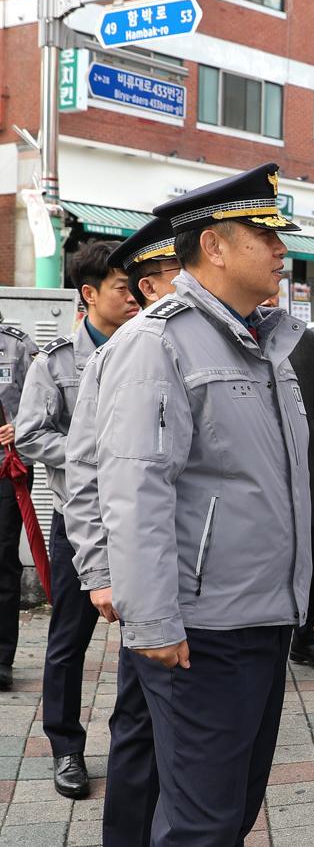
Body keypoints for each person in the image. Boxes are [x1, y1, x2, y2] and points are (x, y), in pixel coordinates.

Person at [90, 163, 312, 844]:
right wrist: (153, 624)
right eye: (266, 236)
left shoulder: (262, 340)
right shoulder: (158, 342)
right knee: (203, 823)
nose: (281, 251)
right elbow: (134, 491)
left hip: (263, 618)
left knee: (230, 809)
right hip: (203, 633)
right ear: (214, 245)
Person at [65, 217, 180, 847]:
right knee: (138, 723)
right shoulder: (125, 352)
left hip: (199, 583)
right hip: (141, 579)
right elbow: (84, 471)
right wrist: (101, 572)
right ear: (151, 287)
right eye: (171, 281)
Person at [17, 239, 139, 799]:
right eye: (122, 287)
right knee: (69, 640)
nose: (134, 296)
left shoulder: (148, 350)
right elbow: (31, 434)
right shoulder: (55, 361)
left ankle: (135, 743)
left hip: (139, 522)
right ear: (89, 295)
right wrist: (92, 450)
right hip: (79, 522)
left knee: (145, 636)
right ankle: (65, 746)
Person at [265, 291, 314, 671]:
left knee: (309, 559)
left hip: (305, 476)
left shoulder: (301, 337)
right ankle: (267, 636)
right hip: (257, 483)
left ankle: (305, 636)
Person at [0, 302, 37, 693]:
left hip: (5, 469)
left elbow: (40, 405)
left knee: (2, 560)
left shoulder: (18, 346)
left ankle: (1, 660)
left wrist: (19, 429)